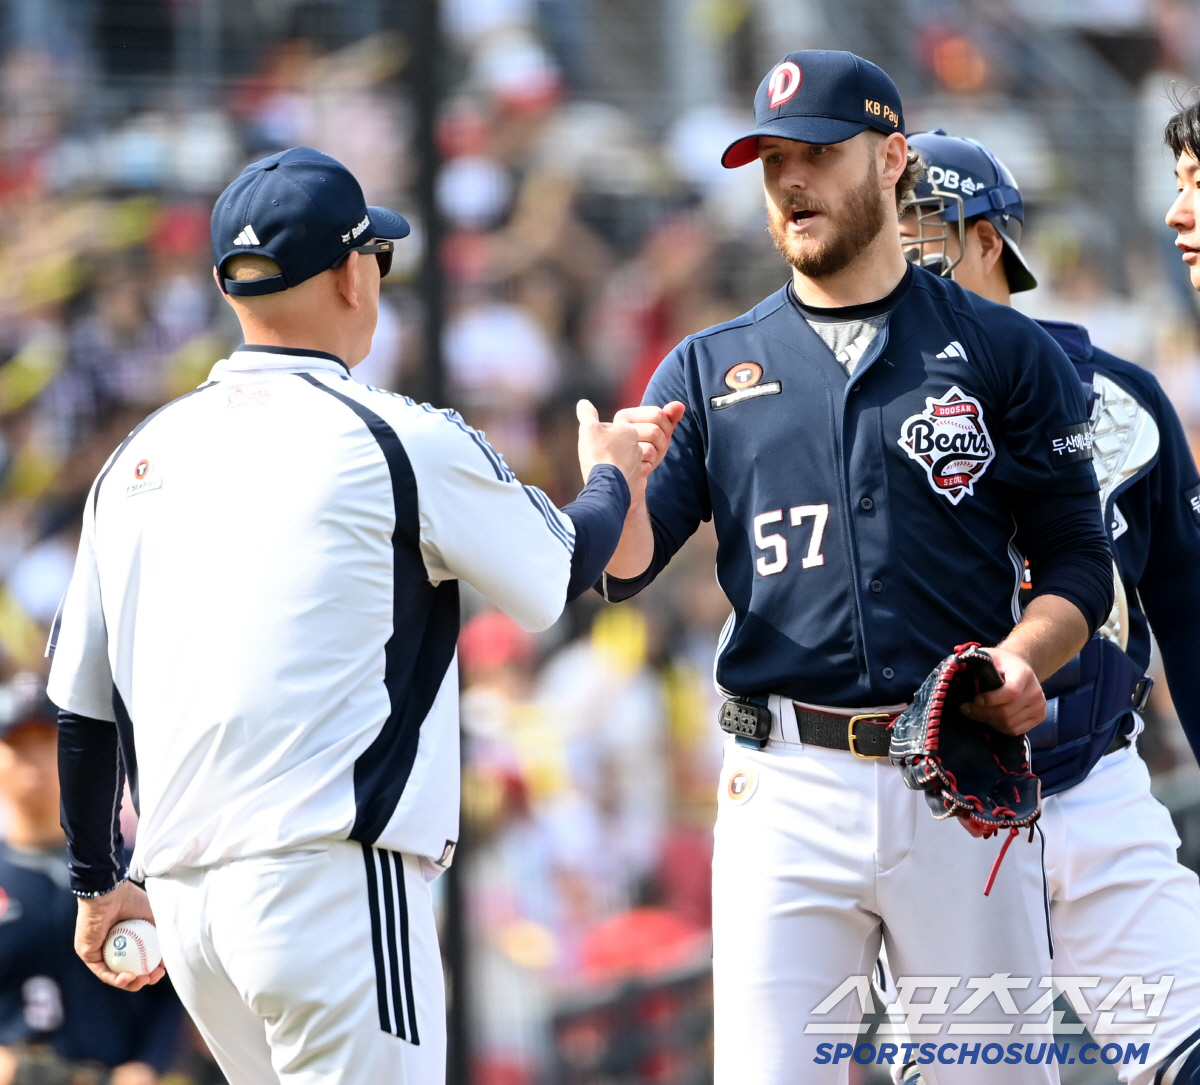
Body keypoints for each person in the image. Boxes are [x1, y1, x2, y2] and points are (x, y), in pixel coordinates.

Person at [45, 146, 681, 1085]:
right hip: (330, 887)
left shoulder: (136, 458)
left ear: (228, 286)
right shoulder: (395, 435)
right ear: (353, 274)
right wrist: (610, 475)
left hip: (187, 910)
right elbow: (556, 573)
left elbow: (82, 712)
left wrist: (97, 882)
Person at [600, 51, 1115, 1084]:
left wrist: (1025, 657)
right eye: (771, 161)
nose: (791, 180)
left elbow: (1077, 562)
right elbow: (626, 570)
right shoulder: (706, 364)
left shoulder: (1004, 351)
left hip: (960, 770)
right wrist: (613, 484)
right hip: (784, 780)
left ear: (889, 160)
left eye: (819, 153)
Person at [895, 128, 1200, 1085]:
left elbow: (1188, 610)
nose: (897, 245)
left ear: (988, 237)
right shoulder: (848, 400)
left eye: (921, 222)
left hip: (1099, 783)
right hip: (940, 806)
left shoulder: (1122, 399)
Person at [0, 673, 181, 1084]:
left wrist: (149, 1064)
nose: (35, 764)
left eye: (48, 743)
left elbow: (173, 986)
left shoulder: (133, 869)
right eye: (18, 747)